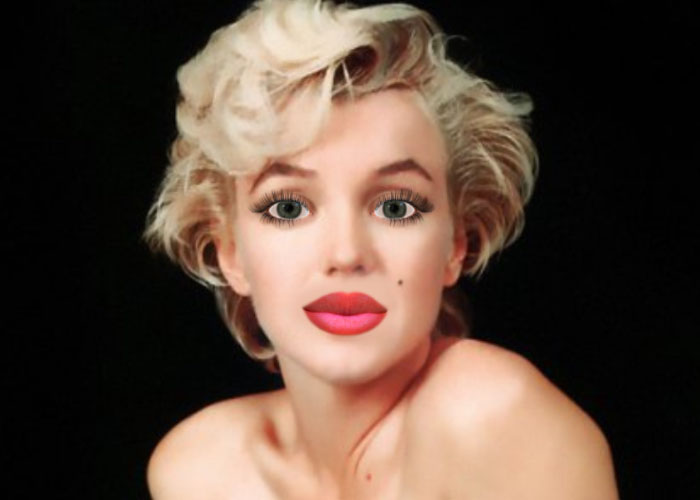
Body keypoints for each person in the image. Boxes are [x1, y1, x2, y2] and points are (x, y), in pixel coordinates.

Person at [142, 0, 619, 498]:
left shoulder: (490, 414)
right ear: (230, 254)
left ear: (456, 245)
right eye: (288, 207)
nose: (346, 254)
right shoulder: (200, 470)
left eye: (395, 207)